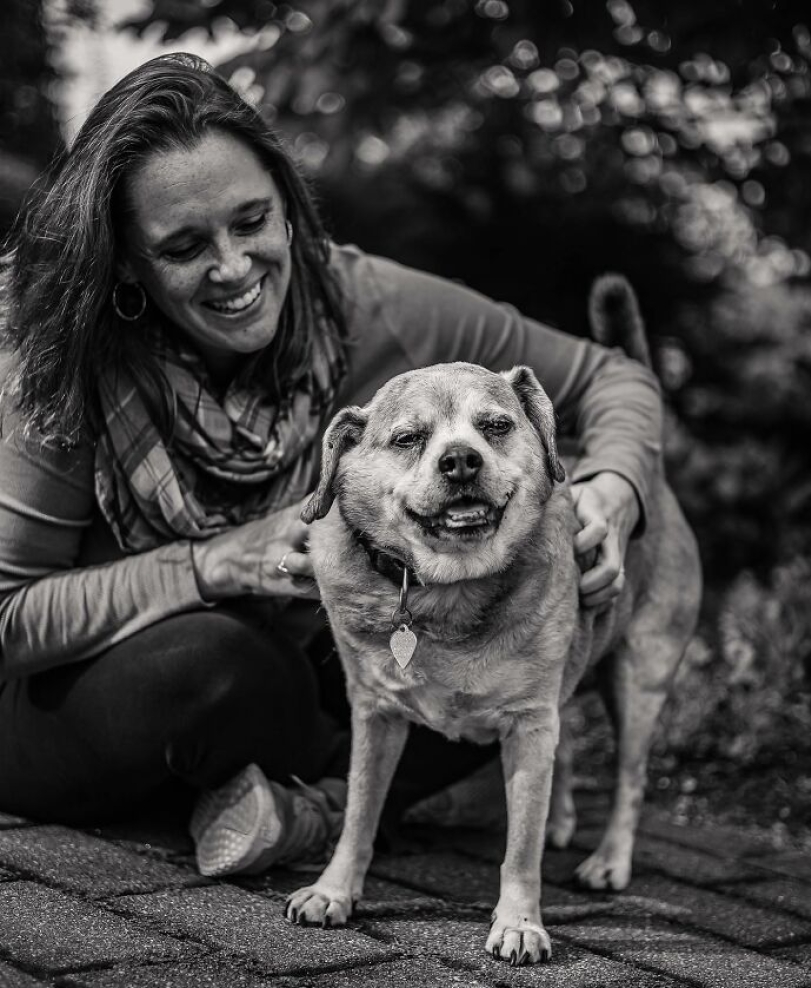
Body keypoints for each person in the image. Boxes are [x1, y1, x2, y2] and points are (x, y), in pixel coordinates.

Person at [0, 53, 661, 878]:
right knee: (216, 663)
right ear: (127, 261)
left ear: (287, 208)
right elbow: (9, 618)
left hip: (303, 676)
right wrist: (214, 563)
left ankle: (304, 809)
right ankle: (294, 799)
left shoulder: (373, 304)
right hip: (76, 696)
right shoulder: (57, 362)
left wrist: (617, 487)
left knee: (492, 632)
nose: (235, 267)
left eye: (251, 221)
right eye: (183, 246)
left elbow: (612, 375)